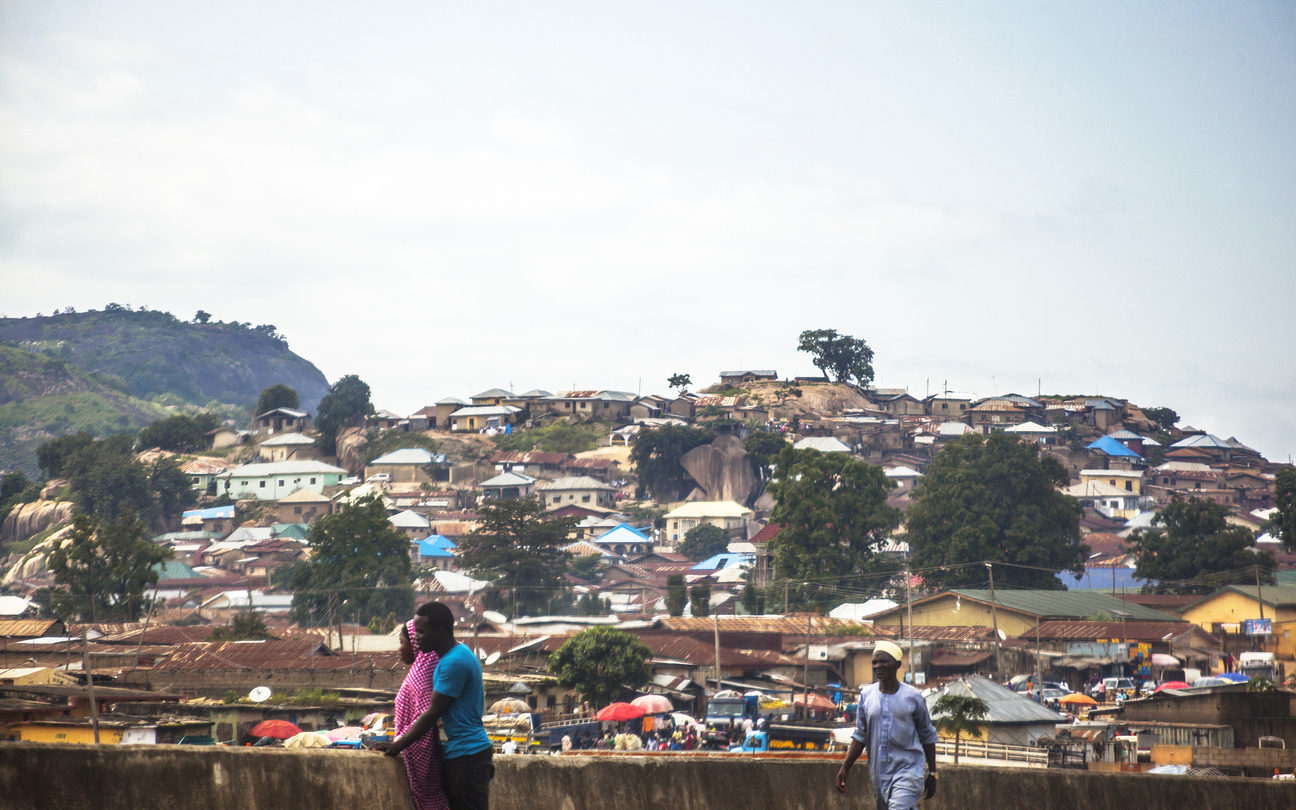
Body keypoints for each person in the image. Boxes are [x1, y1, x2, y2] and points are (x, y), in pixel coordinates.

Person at [377, 602, 494, 810]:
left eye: (422, 632)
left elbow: (432, 712)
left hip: (467, 755)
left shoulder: (453, 663)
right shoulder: (455, 656)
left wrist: (397, 745)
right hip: (463, 753)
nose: (417, 638)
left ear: (440, 631)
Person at [835, 640, 938, 810]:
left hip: (909, 771)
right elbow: (860, 735)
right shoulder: (867, 696)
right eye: (875, 662)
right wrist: (845, 767)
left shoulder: (913, 697)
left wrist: (933, 773)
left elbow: (927, 736)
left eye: (883, 661)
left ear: (897, 665)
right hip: (879, 773)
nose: (878, 666)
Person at [392, 620, 449, 810]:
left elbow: (424, 717)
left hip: (425, 757)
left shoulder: (422, 677)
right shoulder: (421, 669)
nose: (399, 649)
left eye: (402, 642)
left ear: (414, 644)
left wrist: (398, 744)